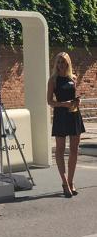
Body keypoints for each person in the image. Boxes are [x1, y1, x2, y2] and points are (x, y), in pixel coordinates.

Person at [47, 52, 85, 198]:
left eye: (64, 62)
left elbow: (75, 94)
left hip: (74, 115)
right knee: (60, 149)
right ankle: (64, 183)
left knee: (74, 149)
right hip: (61, 116)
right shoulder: (53, 80)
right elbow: (49, 101)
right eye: (59, 62)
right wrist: (64, 104)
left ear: (68, 63)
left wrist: (77, 101)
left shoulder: (73, 78)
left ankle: (71, 181)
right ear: (56, 64)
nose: (61, 64)